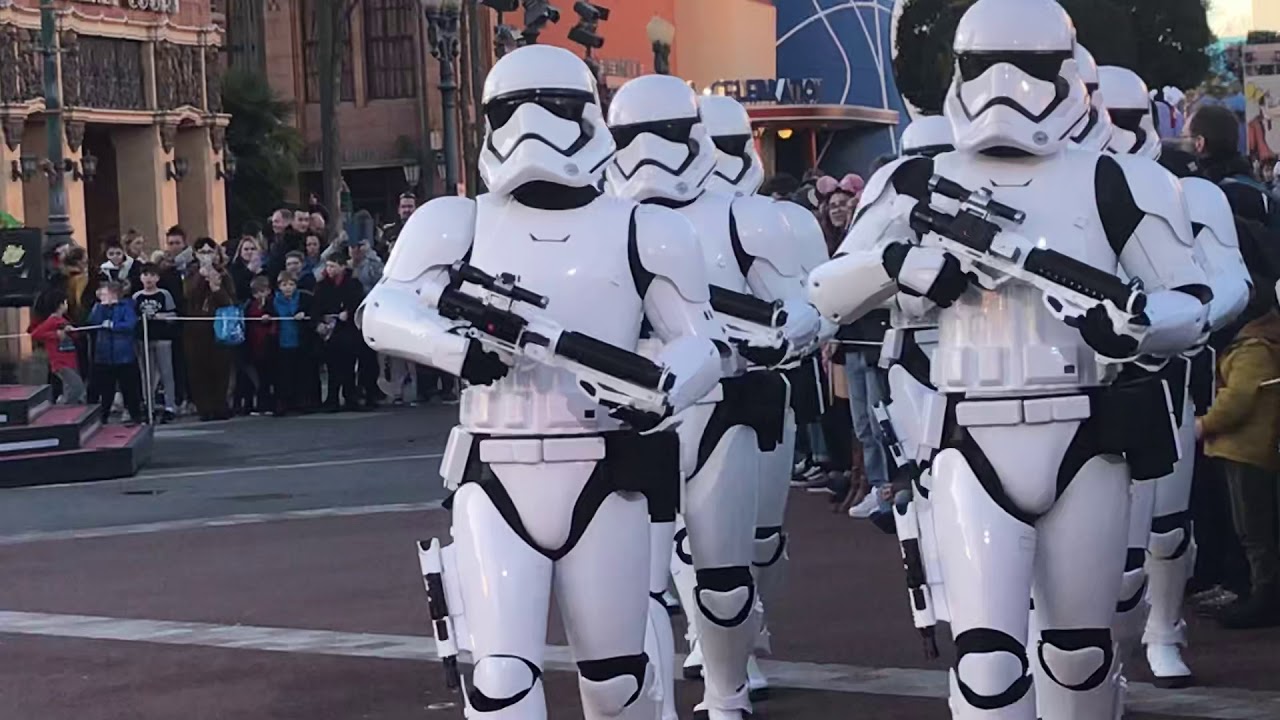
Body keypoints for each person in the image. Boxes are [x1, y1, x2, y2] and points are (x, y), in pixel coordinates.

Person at [807, 1, 1211, 717]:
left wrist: (1137, 325)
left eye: (1026, 66)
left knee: (1080, 655)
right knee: (986, 661)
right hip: (969, 434)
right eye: (982, 66)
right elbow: (824, 294)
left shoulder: (1117, 181)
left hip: (1086, 434)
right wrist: (898, 265)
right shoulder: (913, 182)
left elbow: (1194, 300)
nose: (1003, 86)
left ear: (1065, 73)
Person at [357, 44, 725, 720]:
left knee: (617, 683)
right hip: (495, 471)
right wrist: (457, 350)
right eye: (511, 110)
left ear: (586, 115)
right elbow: (382, 311)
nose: (531, 126)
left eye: (551, 107)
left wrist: (662, 391)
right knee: (500, 679)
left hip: (604, 468)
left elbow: (702, 341)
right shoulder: (457, 221)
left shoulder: (646, 230)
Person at [608, 77, 821, 719]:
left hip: (727, 403)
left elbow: (803, 309)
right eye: (631, 137)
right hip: (629, 409)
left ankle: (728, 688)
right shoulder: (600, 222)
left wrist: (781, 331)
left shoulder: (745, 218)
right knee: (636, 582)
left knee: (732, 572)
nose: (648, 151)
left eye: (666, 133)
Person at [1198, 294, 1280, 629]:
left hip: (1244, 449)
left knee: (1253, 530)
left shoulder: (1254, 348)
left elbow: (1238, 399)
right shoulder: (1261, 343)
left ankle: (1264, 598)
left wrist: (1204, 424)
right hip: (1247, 448)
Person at [184, 237, 236, 421]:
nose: (206, 256)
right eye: (202, 252)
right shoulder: (191, 273)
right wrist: (202, 275)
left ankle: (220, 404)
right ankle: (204, 408)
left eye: (210, 251)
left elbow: (230, 301)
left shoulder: (224, 274)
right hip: (196, 329)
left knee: (220, 368)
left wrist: (216, 288)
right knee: (198, 369)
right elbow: (189, 294)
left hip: (219, 327)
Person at [312, 252, 364, 412]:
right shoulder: (322, 286)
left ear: (342, 266)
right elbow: (316, 306)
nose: (329, 269)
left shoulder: (353, 284)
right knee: (332, 367)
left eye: (333, 266)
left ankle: (350, 397)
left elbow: (358, 302)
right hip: (330, 331)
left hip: (348, 331)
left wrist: (348, 312)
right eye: (328, 266)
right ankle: (332, 399)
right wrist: (319, 321)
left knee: (348, 366)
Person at [87, 281, 143, 424]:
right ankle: (103, 417)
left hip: (124, 355)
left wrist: (114, 326)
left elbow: (130, 324)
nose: (102, 295)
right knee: (106, 390)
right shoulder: (99, 307)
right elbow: (92, 321)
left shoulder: (126, 307)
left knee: (129, 389)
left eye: (105, 293)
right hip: (104, 356)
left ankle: (135, 415)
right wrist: (100, 307)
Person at [133, 263, 180, 422]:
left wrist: (161, 316)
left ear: (158, 278)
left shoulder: (164, 294)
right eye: (145, 275)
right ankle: (149, 405)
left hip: (162, 337)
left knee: (166, 372)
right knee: (147, 373)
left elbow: (173, 315)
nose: (149, 279)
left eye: (152, 275)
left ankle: (170, 406)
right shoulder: (137, 297)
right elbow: (133, 317)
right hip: (144, 338)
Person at [27, 289, 86, 405]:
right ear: (60, 305)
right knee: (76, 387)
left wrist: (71, 331)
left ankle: (68, 408)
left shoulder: (63, 320)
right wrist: (55, 335)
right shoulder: (52, 320)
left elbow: (74, 336)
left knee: (70, 388)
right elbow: (35, 334)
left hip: (71, 361)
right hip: (60, 362)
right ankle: (66, 409)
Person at [273, 271, 311, 415]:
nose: (288, 288)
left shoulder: (303, 298)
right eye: (284, 285)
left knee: (299, 374)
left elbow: (312, 311)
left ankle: (299, 402)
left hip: (299, 341)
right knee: (283, 375)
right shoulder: (274, 300)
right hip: (281, 342)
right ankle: (283, 403)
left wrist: (303, 313)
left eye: (291, 284)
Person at [240, 275, 277, 415]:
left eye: (263, 291)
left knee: (267, 377)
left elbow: (275, 319)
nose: (260, 295)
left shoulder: (272, 303)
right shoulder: (249, 305)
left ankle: (268, 405)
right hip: (253, 344)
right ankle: (258, 405)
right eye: (256, 292)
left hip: (267, 344)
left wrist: (268, 317)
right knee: (256, 377)